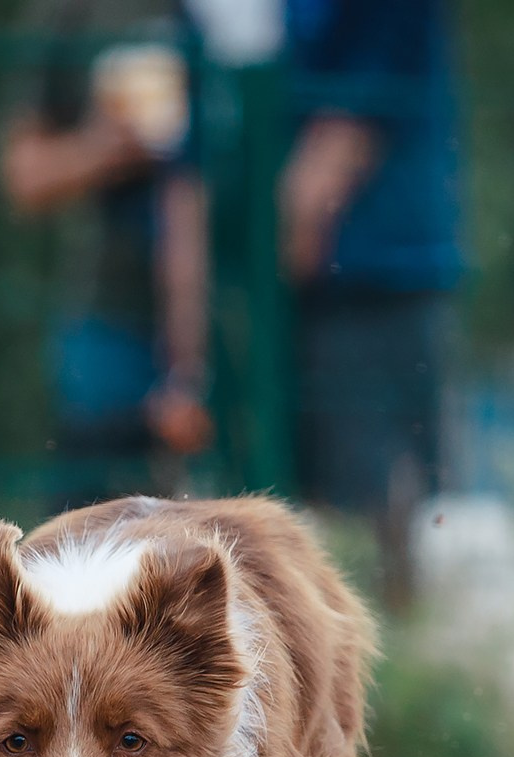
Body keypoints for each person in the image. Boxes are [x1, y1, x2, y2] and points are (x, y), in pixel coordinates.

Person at [165, 0, 461, 607]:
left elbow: (336, 152)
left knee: (368, 529)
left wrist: (235, 317)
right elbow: (191, 167)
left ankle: (387, 675)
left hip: (369, 287)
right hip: (269, 295)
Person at [0, 0, 207, 499]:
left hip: (254, 301)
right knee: (97, 519)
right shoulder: (73, 16)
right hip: (111, 315)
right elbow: (24, 176)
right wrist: (107, 149)